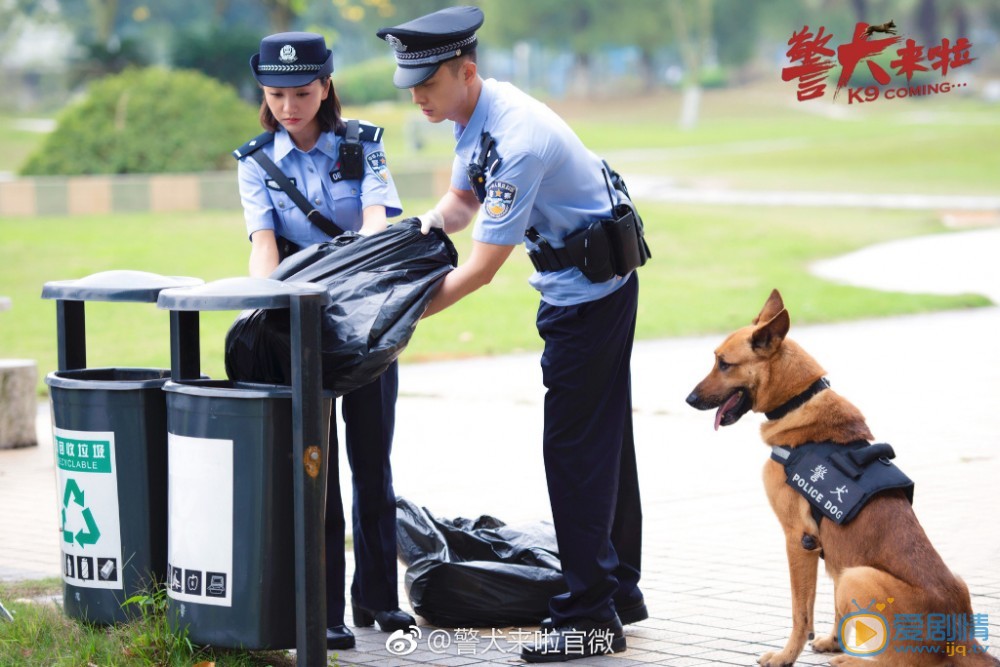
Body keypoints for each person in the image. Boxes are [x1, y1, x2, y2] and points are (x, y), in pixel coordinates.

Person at [377, 7, 647, 663]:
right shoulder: (474, 115)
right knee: (603, 440)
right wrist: (406, 234)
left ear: (465, 71)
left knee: (575, 451)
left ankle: (590, 616)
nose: (417, 97)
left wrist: (391, 321)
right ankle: (621, 590)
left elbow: (480, 269)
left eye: (427, 85)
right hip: (588, 284)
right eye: (410, 84)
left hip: (589, 297)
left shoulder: (517, 136)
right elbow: (461, 204)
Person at [233, 31, 415, 650]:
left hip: (365, 325)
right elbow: (263, 247)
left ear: (326, 86)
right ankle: (326, 607)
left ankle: (378, 600)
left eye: (302, 92)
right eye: (277, 94)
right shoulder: (255, 162)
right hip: (297, 331)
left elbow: (374, 225)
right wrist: (260, 306)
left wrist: (343, 275)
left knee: (372, 461)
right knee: (317, 469)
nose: (289, 106)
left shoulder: (362, 145)